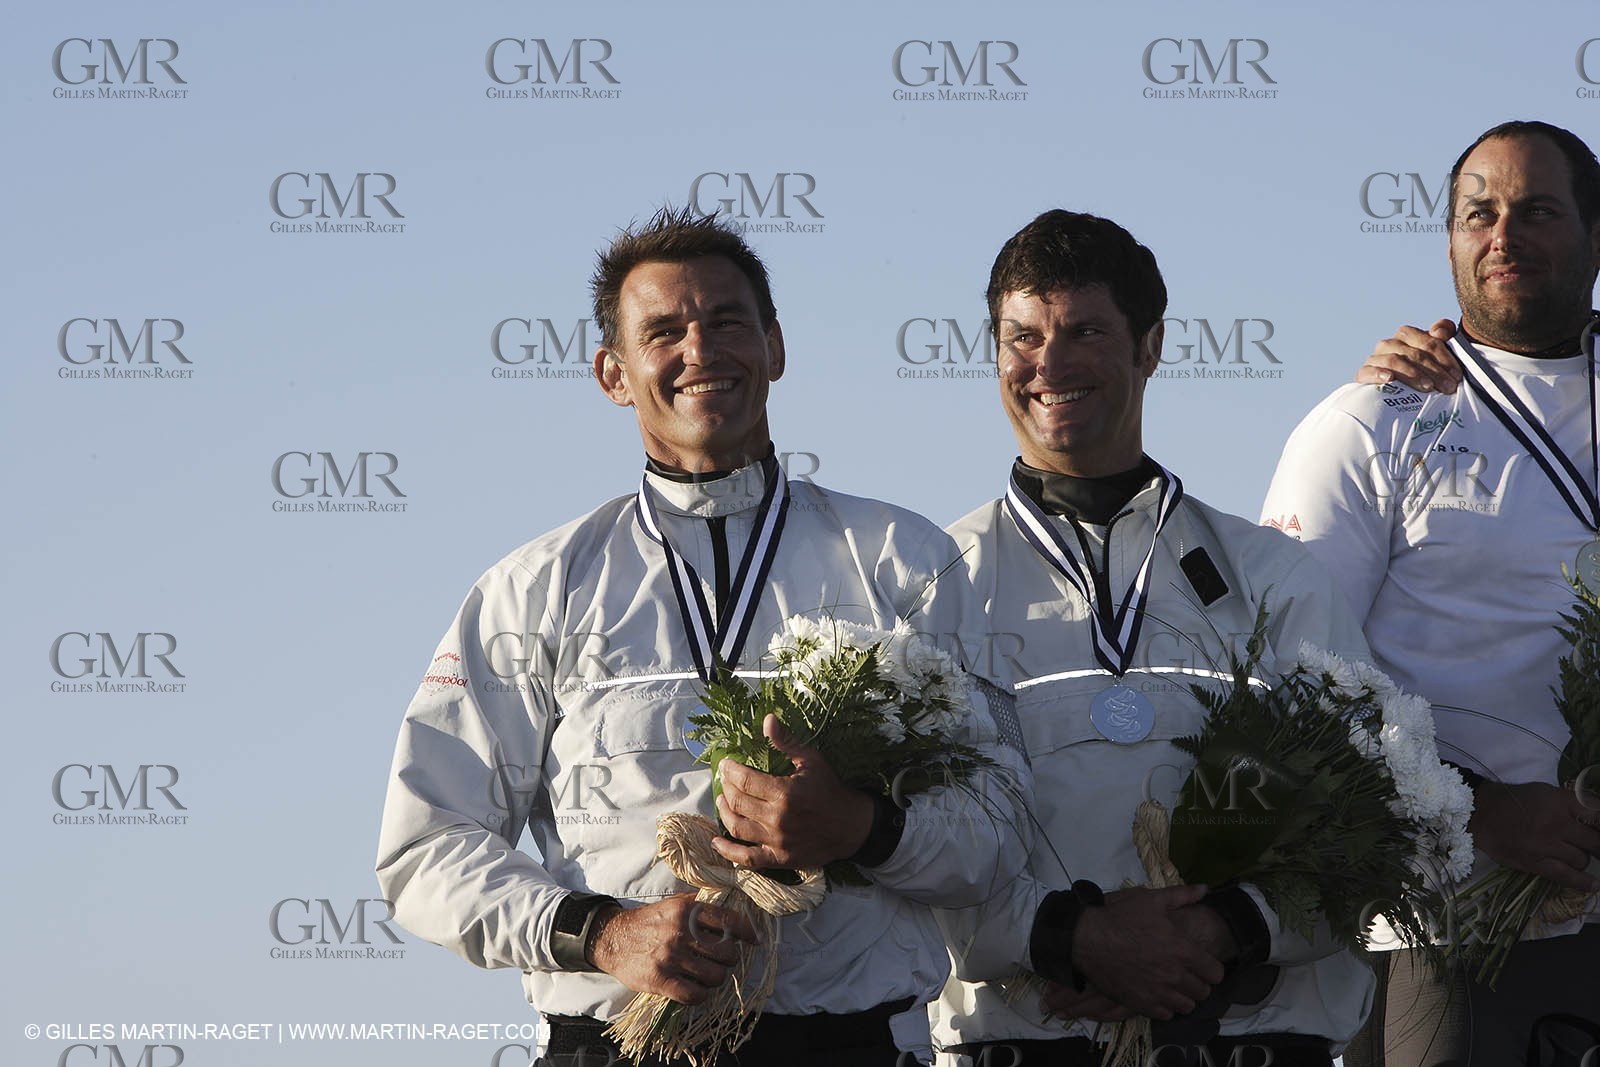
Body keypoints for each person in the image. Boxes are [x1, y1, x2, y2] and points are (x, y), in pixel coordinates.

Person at [375, 207, 1030, 1067]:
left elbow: (1003, 827)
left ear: (776, 347)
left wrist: (861, 828)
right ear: (613, 374)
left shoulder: (904, 558)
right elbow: (424, 847)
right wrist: (602, 933)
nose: (701, 349)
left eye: (727, 321)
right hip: (610, 1043)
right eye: (664, 331)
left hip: (853, 1045)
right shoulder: (535, 587)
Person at [931, 209, 1375, 1067]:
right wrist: (1073, 939)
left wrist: (1220, 931)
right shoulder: (936, 581)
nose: (1049, 364)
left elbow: (1366, 817)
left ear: (1151, 346)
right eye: (1023, 337)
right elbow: (915, 846)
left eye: (1085, 331)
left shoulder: (1273, 575)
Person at [1263, 120, 1600, 1066]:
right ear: (1449, 241)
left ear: (1596, 234)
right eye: (1478, 214)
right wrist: (1479, 810)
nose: (1504, 236)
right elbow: (1292, 686)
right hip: (1447, 927)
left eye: (1538, 211)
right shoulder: (1375, 420)